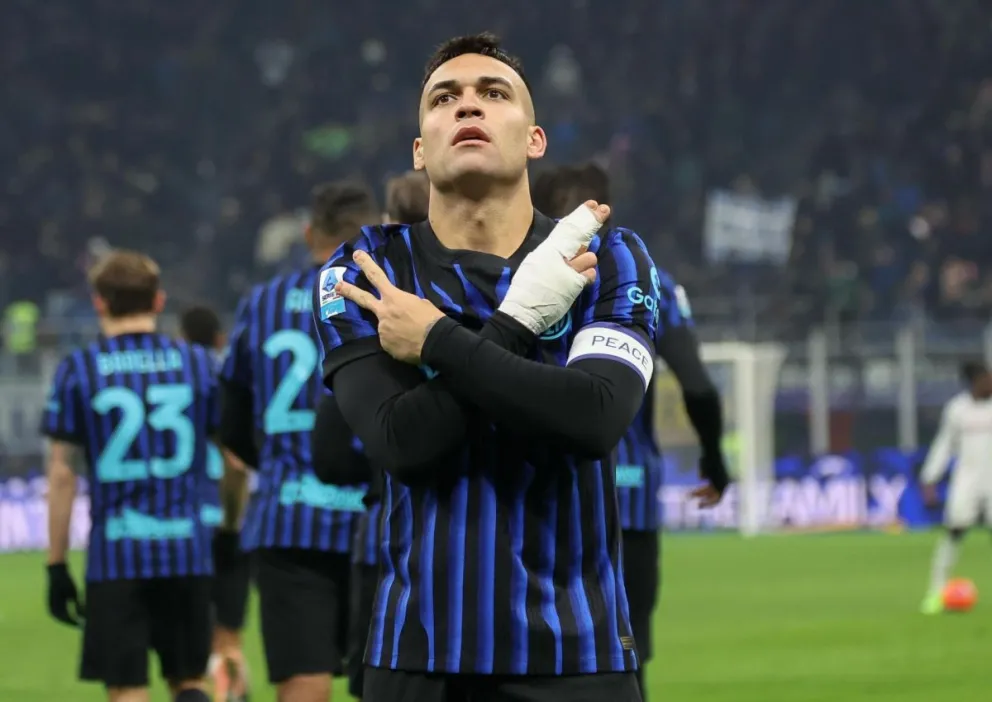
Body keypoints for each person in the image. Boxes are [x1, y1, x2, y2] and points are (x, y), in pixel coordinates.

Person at [314, 32, 662, 702]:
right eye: (444, 99)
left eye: (492, 93)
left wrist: (437, 342)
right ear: (420, 151)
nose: (467, 106)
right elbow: (403, 442)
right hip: (416, 663)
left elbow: (593, 419)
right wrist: (519, 320)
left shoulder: (610, 257)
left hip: (579, 659)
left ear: (534, 139)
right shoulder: (363, 270)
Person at [532, 163, 729, 700]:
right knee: (625, 651)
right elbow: (699, 386)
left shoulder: (508, 271)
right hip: (626, 495)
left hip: (525, 493)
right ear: (606, 208)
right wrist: (715, 460)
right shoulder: (650, 279)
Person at [216, 180, 376, 702]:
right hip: (373, 521)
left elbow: (230, 415)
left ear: (309, 233)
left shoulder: (260, 304)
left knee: (303, 680)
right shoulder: (390, 298)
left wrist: (274, 463)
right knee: (387, 680)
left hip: (287, 521)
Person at [40, 250, 217, 702]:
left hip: (117, 555)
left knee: (126, 690)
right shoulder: (198, 364)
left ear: (99, 302)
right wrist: (230, 528)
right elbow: (231, 456)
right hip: (187, 550)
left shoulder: (79, 369)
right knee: (190, 681)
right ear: (158, 302)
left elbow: (62, 474)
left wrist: (56, 563)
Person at [310, 168, 433, 701]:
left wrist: (383, 467)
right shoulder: (517, 289)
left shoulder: (360, 299)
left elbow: (331, 449)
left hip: (392, 548)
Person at [178, 305, 251, 702]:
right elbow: (236, 460)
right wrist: (233, 521)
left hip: (191, 520)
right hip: (231, 519)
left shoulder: (178, 376)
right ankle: (234, 691)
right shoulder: (229, 376)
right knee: (229, 634)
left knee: (195, 640)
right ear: (220, 338)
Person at [918, 361, 992, 614]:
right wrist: (930, 478)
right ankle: (936, 593)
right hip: (967, 480)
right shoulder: (957, 410)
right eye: (985, 379)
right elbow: (944, 445)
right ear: (974, 382)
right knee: (954, 533)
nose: (990, 383)